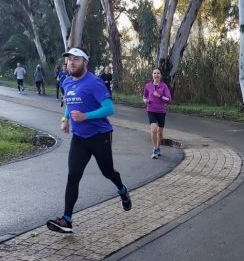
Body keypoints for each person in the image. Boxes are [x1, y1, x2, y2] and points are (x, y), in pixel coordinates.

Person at [46, 47, 132, 233]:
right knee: (73, 176)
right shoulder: (67, 82)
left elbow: (109, 109)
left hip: (99, 136)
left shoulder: (95, 82)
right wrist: (65, 119)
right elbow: (70, 102)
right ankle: (67, 220)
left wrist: (86, 116)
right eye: (69, 59)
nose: (72, 62)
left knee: (107, 172)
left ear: (85, 62)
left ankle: (122, 190)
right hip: (79, 139)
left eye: (76, 59)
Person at [142, 68, 172, 159]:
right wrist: (145, 100)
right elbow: (144, 96)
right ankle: (155, 148)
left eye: (158, 73)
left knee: (160, 133)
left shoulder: (164, 86)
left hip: (161, 111)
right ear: (152, 75)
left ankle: (158, 147)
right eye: (154, 73)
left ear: (160, 75)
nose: (156, 75)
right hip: (151, 110)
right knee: (154, 129)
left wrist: (160, 96)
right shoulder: (148, 86)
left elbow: (169, 99)